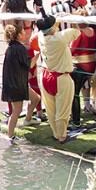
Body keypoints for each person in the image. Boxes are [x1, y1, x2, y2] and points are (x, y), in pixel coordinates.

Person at [35, 12, 80, 144]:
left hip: (45, 75)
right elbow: (76, 31)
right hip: (61, 77)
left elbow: (51, 28)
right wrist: (67, 16)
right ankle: (62, 136)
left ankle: (56, 133)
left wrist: (55, 21)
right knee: (63, 109)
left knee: (50, 108)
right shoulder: (61, 38)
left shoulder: (40, 36)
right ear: (53, 27)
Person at [0, 23, 31, 138]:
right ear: (18, 35)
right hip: (17, 85)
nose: (25, 33)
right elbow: (28, 65)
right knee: (16, 111)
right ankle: (10, 136)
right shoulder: (20, 48)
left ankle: (28, 120)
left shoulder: (10, 48)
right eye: (23, 32)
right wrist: (37, 56)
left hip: (13, 83)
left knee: (36, 98)